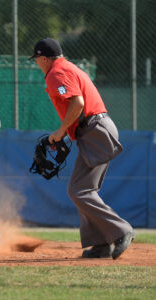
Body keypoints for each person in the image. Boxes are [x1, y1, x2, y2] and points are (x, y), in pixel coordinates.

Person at [29, 37, 135, 259]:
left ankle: (120, 231)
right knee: (82, 188)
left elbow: (78, 103)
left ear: (45, 58)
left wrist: (58, 133)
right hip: (93, 130)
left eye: (37, 58)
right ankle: (100, 244)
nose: (36, 62)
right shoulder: (66, 67)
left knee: (79, 190)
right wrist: (67, 134)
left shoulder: (56, 72)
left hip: (95, 130)